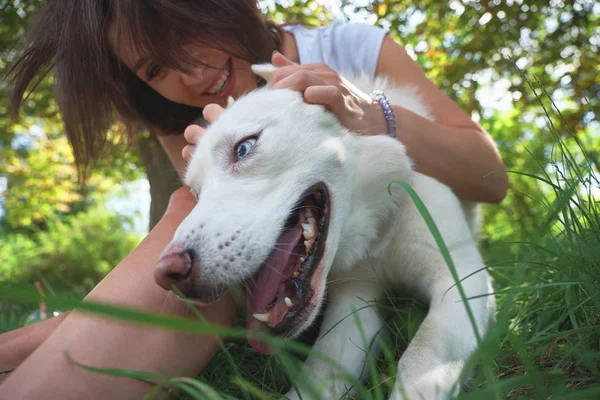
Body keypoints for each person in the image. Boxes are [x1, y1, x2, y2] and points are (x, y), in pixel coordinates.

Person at [0, 1, 508, 398]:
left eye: (186, 27)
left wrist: (375, 114)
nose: (193, 74)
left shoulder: (347, 48)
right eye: (155, 68)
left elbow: (491, 182)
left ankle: (24, 350)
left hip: (376, 174)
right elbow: (352, 301)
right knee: (185, 208)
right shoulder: (184, 122)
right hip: (312, 257)